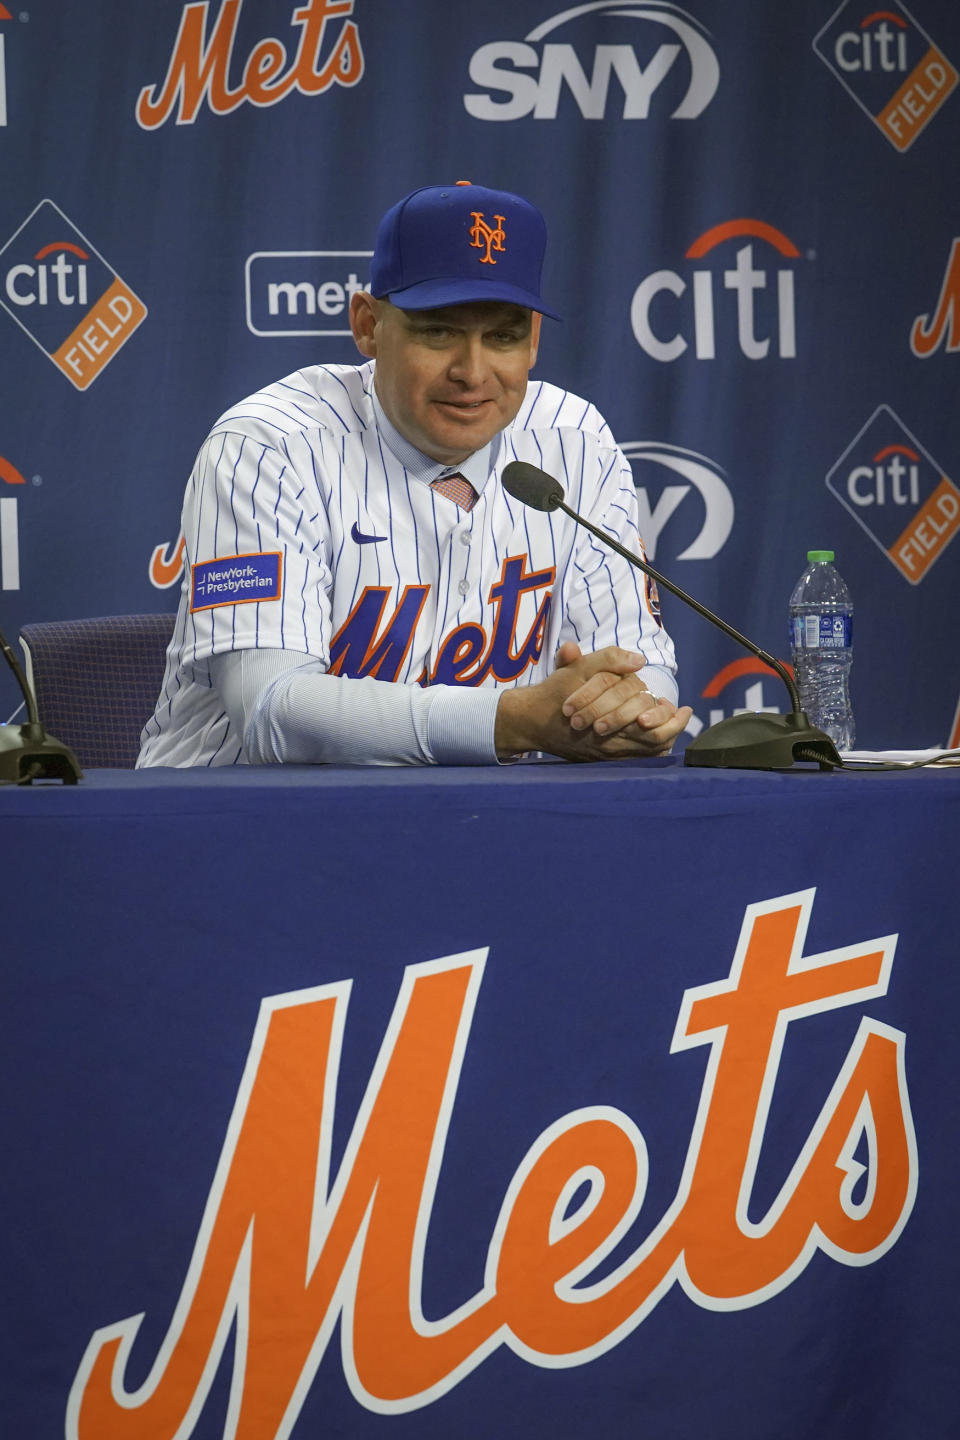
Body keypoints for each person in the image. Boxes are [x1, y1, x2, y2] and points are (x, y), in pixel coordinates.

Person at [138, 182, 691, 768]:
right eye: (439, 330)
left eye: (501, 336)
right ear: (368, 325)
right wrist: (512, 720)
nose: (472, 372)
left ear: (532, 341)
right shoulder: (271, 444)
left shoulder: (576, 442)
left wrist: (630, 709)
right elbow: (273, 712)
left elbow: (640, 665)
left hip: (488, 826)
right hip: (237, 826)